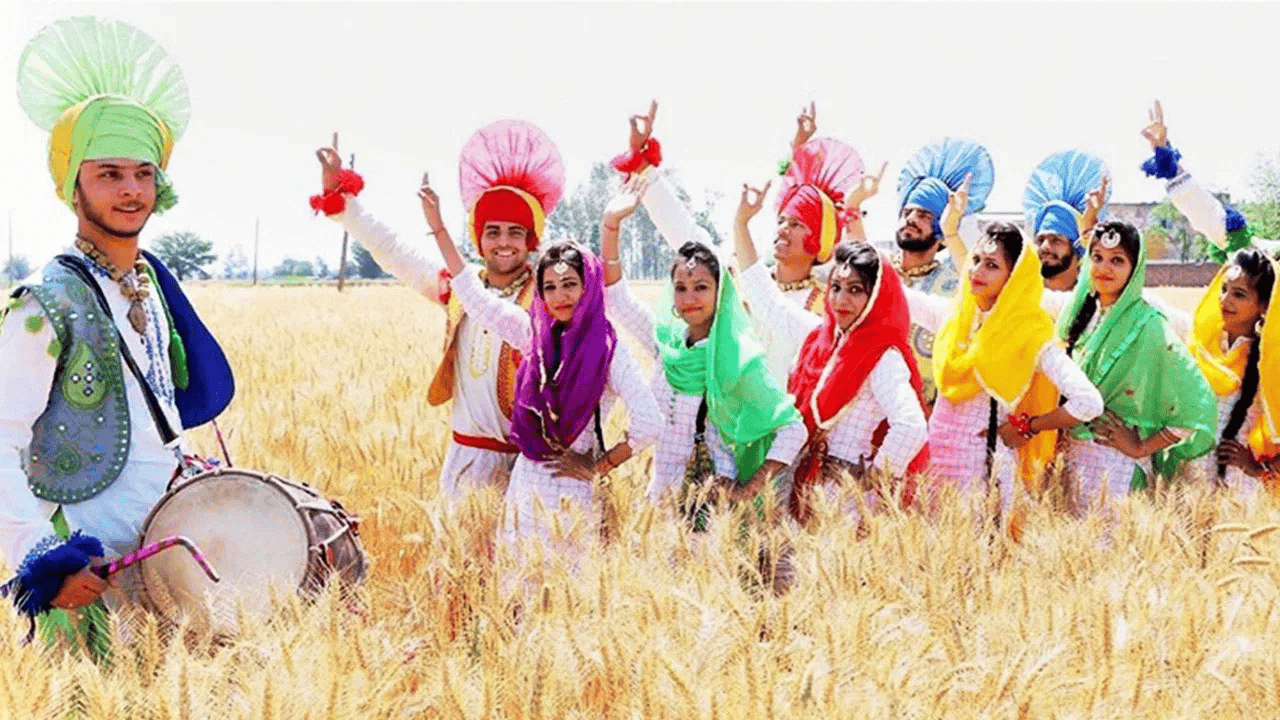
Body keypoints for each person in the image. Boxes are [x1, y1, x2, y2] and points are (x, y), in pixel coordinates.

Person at [1, 16, 234, 657]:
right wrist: (42, 560)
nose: (130, 190)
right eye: (108, 173)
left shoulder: (152, 288)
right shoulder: (46, 302)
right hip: (86, 563)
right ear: (72, 183)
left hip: (161, 556)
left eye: (142, 173)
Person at [313, 120, 564, 503]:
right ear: (478, 238)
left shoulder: (549, 299)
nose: (504, 242)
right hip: (464, 464)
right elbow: (393, 251)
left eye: (515, 232)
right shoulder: (459, 289)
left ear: (531, 239)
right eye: (493, 231)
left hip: (527, 470)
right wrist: (345, 204)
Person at [424, 169, 661, 559]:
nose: (559, 296)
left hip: (574, 499)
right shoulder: (532, 334)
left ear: (588, 287)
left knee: (566, 589)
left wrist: (598, 466)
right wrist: (438, 228)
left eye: (570, 285)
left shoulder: (608, 350)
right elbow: (474, 296)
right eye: (549, 287)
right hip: (524, 492)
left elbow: (650, 422)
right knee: (516, 585)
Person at [598, 177, 808, 524]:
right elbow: (618, 299)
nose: (689, 298)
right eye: (680, 288)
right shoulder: (667, 345)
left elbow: (793, 429)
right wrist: (611, 225)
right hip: (659, 503)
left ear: (720, 293)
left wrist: (749, 488)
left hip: (709, 513)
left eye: (701, 287)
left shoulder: (738, 360)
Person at [904, 221, 1103, 514]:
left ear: (1014, 277)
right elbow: (896, 295)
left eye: (992, 265)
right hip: (933, 462)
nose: (977, 271)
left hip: (980, 469)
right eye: (975, 260)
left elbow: (1089, 402)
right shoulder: (956, 318)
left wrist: (1029, 426)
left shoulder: (1030, 333)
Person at [1137, 101, 1280, 495]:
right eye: (1225, 290)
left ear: (1264, 306)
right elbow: (1213, 219)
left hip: (1239, 490)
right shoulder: (1202, 337)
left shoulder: (1270, 357)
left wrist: (1259, 469)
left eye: (1240, 295)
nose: (1226, 300)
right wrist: (1165, 154)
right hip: (1187, 477)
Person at [1056, 220, 1217, 508]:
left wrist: (1142, 446)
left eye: (1117, 260)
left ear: (1135, 268)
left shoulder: (1148, 324)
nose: (1104, 268)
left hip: (1117, 468)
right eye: (1097, 257)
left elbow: (1197, 404)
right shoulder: (1078, 316)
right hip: (1072, 462)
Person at [780, 242, 930, 525]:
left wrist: (872, 478)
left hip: (843, 497)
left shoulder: (882, 355)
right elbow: (771, 305)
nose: (841, 300)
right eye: (836, 287)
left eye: (855, 290)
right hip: (801, 482)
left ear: (877, 296)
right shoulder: (826, 342)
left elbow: (912, 427)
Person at [876, 138, 995, 406]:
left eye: (923, 216)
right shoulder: (879, 268)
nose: (911, 219)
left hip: (926, 411)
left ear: (941, 232)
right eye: (907, 212)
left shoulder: (951, 285)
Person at [1023, 151, 1110, 292]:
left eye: (1056, 240)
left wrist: (1090, 220)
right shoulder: (1021, 298)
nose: (1045, 247)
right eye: (1040, 240)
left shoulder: (1096, 300)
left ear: (1078, 248)